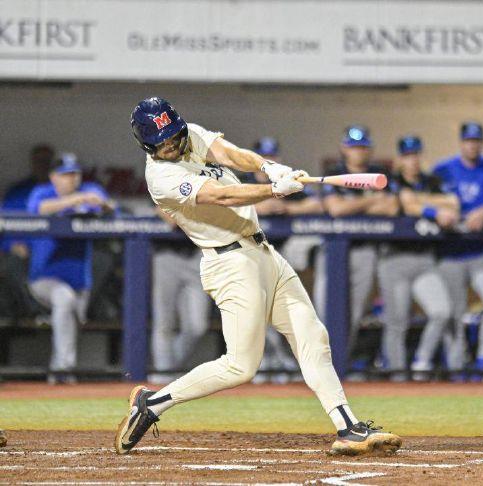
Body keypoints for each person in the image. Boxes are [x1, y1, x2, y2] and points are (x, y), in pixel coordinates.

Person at [115, 97, 401, 456]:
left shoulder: (191, 136)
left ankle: (348, 427)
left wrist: (269, 167)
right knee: (240, 366)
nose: (171, 145)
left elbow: (231, 154)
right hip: (229, 263)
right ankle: (152, 403)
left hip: (264, 253)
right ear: (147, 145)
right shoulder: (161, 177)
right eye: (163, 143)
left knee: (313, 336)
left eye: (174, 136)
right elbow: (223, 195)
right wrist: (273, 190)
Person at [313, 125, 399, 371]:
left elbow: (391, 208)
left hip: (365, 250)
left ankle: (339, 365)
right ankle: (318, 365)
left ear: (369, 149)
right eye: (353, 147)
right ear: (344, 148)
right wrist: (371, 200)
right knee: (324, 311)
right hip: (333, 250)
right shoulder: (334, 172)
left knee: (355, 313)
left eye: (362, 147)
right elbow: (335, 209)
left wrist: (352, 204)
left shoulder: (380, 173)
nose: (358, 152)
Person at [27, 154, 116, 384]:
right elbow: (38, 209)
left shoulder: (90, 189)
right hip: (44, 277)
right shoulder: (43, 192)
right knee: (64, 299)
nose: (72, 178)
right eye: (66, 174)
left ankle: (60, 376)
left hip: (79, 280)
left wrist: (102, 204)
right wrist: (76, 200)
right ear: (53, 177)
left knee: (73, 323)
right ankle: (62, 371)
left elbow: (111, 209)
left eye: (75, 173)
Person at [243, 137, 322, 383]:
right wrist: (260, 205)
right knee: (254, 309)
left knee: (284, 310)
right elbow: (224, 203)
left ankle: (280, 360)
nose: (271, 160)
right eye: (265, 156)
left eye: (273, 156)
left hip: (279, 254)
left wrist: (289, 209)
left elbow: (316, 204)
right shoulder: (242, 180)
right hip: (247, 254)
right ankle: (263, 361)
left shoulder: (285, 180)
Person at [377, 136, 455, 381]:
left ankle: (422, 361)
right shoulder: (391, 181)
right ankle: (398, 375)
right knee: (397, 322)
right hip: (394, 258)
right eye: (407, 155)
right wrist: (434, 208)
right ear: (400, 158)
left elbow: (454, 204)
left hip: (424, 258)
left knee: (442, 311)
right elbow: (406, 204)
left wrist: (422, 201)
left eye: (416, 155)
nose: (412, 160)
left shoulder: (431, 181)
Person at [433, 122, 483, 380]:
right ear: (461, 142)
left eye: (476, 141)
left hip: (481, 252)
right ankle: (457, 368)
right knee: (454, 313)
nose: (472, 145)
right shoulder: (443, 169)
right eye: (468, 140)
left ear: (482, 143)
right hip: (450, 252)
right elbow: (430, 200)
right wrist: (444, 211)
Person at [149, 207, 213, 385]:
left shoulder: (204, 188)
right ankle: (162, 376)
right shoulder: (163, 188)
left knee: (198, 326)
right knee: (164, 321)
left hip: (197, 254)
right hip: (166, 254)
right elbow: (167, 215)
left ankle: (170, 368)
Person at [0, 144, 55, 320]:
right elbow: (4, 226)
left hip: (52, 253)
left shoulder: (60, 193)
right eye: (39, 161)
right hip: (21, 254)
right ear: (32, 163)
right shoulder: (17, 192)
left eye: (46, 161)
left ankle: (48, 313)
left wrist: (35, 247)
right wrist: (11, 246)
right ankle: (37, 312)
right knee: (11, 264)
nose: (42, 165)